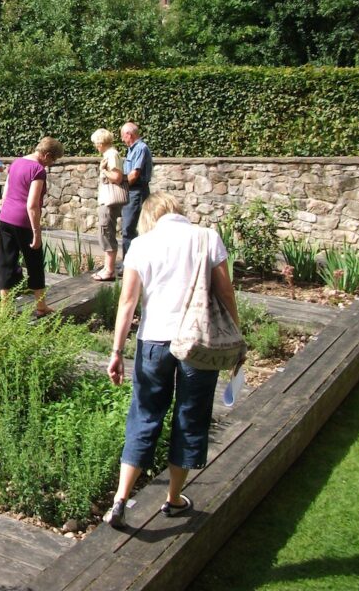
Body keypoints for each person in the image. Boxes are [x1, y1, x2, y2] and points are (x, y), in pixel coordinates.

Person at [104, 192, 239, 529]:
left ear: (150, 216)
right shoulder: (207, 237)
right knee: (189, 416)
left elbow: (127, 302)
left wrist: (117, 351)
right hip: (197, 343)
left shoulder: (141, 244)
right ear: (178, 210)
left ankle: (121, 499)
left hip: (153, 342)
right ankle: (174, 499)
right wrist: (235, 336)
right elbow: (226, 292)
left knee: (145, 414)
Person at [0, 136, 63, 314]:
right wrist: (37, 233)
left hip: (6, 218)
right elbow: (32, 205)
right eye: (53, 160)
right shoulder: (38, 170)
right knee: (34, 263)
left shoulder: (16, 162)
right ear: (46, 155)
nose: (51, 164)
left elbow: (6, 192)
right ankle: (41, 306)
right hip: (23, 222)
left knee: (5, 261)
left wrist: (4, 212)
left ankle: (5, 309)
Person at [92, 128, 125, 281]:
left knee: (106, 232)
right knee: (105, 231)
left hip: (109, 201)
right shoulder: (110, 154)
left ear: (101, 142)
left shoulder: (111, 155)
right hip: (106, 200)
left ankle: (109, 270)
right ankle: (107, 268)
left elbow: (117, 177)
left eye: (95, 143)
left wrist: (103, 171)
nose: (95, 146)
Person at [120, 122, 153, 259]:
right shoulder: (132, 149)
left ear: (129, 134)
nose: (122, 139)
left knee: (129, 229)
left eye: (123, 136)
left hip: (137, 192)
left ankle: (129, 265)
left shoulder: (140, 148)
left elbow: (134, 175)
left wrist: (119, 180)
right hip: (132, 191)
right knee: (129, 228)